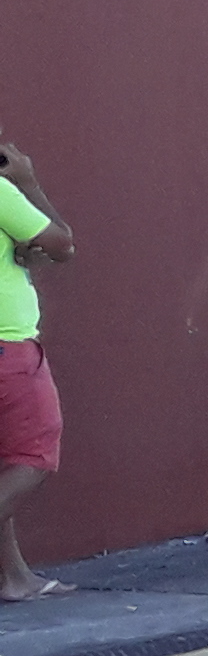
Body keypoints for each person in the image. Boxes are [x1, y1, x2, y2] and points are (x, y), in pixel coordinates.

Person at [0, 131, 77, 604]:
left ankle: (13, 578)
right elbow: (62, 244)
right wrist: (28, 183)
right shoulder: (3, 194)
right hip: (7, 348)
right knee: (33, 456)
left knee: (5, 464)